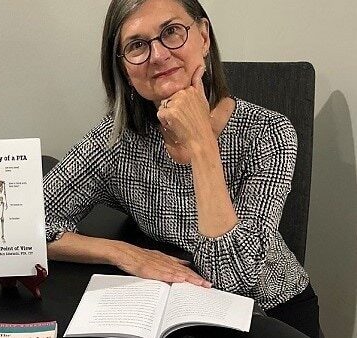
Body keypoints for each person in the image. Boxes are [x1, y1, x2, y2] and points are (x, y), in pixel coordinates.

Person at [43, 0, 320, 336]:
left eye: (171, 31)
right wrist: (124, 253)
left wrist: (201, 141)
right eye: (137, 45)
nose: (158, 55)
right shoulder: (117, 140)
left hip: (270, 311)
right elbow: (25, 229)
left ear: (203, 37)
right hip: (175, 309)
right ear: (125, 70)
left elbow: (233, 279)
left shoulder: (269, 133)